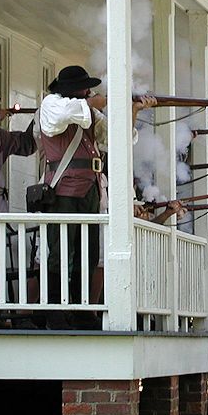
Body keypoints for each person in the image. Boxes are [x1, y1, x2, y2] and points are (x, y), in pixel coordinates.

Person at [37, 65, 156, 315]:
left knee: (87, 255)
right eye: (85, 88)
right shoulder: (52, 103)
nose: (89, 91)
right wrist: (98, 101)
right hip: (62, 191)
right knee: (61, 254)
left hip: (90, 191)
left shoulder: (88, 111)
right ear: (73, 90)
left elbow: (116, 138)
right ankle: (53, 313)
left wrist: (132, 109)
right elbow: (58, 120)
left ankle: (82, 312)